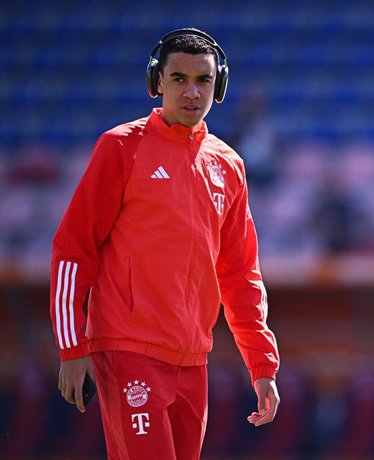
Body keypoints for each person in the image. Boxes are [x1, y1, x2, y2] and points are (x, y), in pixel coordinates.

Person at [49, 28, 280, 459]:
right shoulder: (120, 148)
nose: (191, 92)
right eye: (178, 79)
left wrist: (262, 364)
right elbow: (73, 250)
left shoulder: (229, 166)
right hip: (128, 351)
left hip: (193, 359)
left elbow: (241, 273)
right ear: (157, 82)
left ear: (220, 86)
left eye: (204, 81)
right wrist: (71, 346)